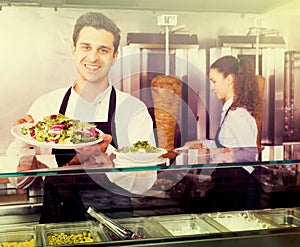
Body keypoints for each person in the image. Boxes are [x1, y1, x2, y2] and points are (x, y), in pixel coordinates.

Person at [7, 12, 157, 222]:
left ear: (115, 56)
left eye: (103, 50)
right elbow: (19, 181)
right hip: (57, 221)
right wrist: (26, 151)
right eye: (86, 47)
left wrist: (109, 164)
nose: (93, 57)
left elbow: (147, 180)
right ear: (74, 50)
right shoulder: (46, 105)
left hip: (116, 222)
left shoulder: (133, 110)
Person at [186, 55, 262, 212]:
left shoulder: (237, 114)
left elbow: (250, 153)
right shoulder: (230, 110)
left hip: (239, 187)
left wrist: (217, 155)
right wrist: (201, 143)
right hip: (229, 184)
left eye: (214, 81)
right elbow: (227, 143)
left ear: (229, 79)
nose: (212, 87)